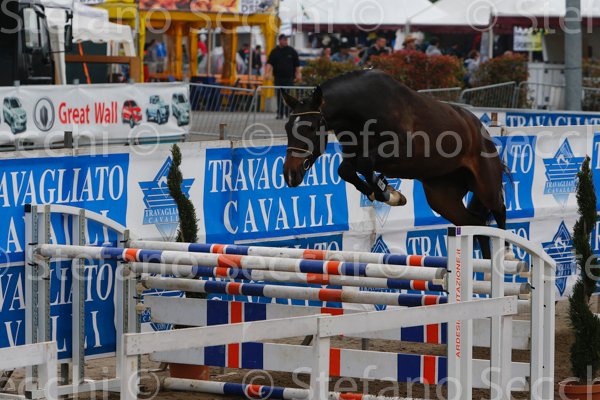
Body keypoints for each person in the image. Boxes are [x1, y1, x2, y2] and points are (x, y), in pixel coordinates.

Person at [265, 34, 301, 119]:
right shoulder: (275, 51)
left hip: (289, 78)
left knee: (288, 96)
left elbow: (297, 64)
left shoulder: (291, 51)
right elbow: (269, 63)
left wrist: (298, 74)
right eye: (284, 40)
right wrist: (266, 73)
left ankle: (288, 113)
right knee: (279, 96)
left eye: (286, 40)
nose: (286, 41)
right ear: (280, 40)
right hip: (278, 78)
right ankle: (280, 113)